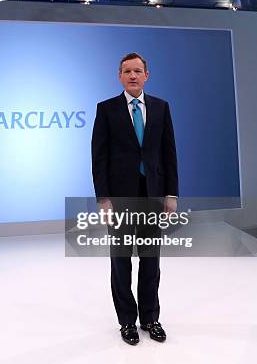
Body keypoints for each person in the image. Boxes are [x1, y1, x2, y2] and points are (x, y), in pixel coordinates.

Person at [91, 52, 178, 345]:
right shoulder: (106, 109)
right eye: (127, 71)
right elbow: (99, 157)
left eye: (137, 70)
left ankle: (150, 318)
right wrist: (103, 199)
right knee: (121, 262)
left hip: (153, 197)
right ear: (119, 76)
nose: (132, 75)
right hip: (120, 200)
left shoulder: (161, 108)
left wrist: (171, 194)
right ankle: (127, 322)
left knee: (151, 261)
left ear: (146, 75)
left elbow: (169, 154)